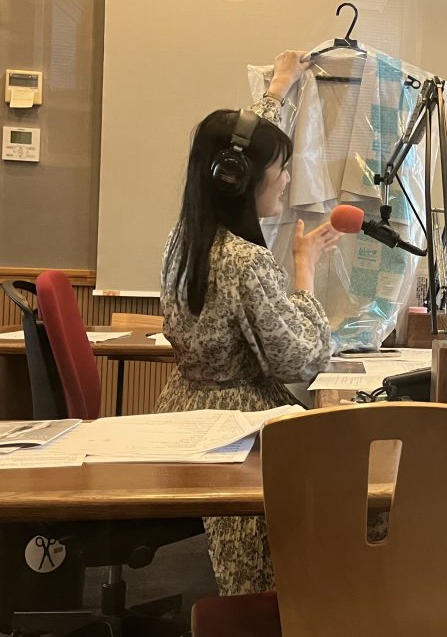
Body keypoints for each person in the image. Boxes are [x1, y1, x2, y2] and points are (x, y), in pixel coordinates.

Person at [156, 50, 340, 595]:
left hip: (184, 408)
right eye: (279, 169)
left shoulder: (185, 236)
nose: (286, 178)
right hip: (233, 431)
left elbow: (238, 149)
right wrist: (305, 266)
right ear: (241, 180)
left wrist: (278, 90)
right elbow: (302, 359)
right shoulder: (245, 260)